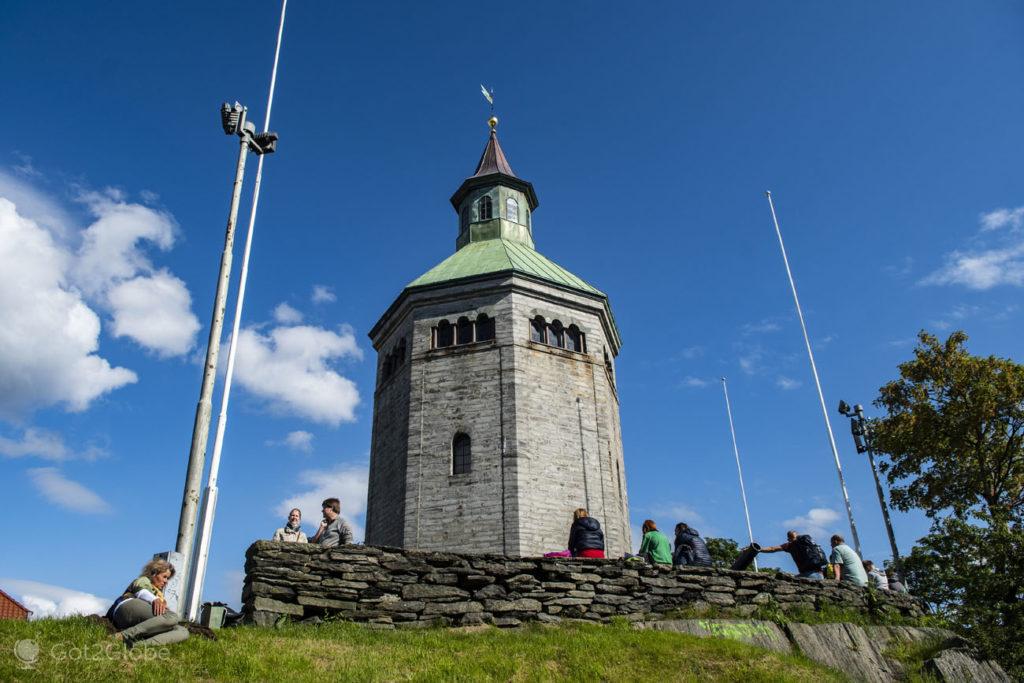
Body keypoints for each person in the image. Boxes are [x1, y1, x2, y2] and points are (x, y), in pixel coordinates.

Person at [108, 559, 189, 648]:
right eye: (164, 576)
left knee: (183, 631)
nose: (166, 581)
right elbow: (141, 591)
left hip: (137, 622)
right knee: (172, 617)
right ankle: (123, 636)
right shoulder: (144, 580)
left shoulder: (158, 594)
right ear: (153, 573)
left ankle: (136, 646)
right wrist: (154, 599)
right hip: (124, 607)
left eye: (168, 578)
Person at [761, 530, 827, 579]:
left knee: (786, 581)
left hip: (808, 575)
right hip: (820, 575)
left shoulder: (790, 545)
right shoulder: (808, 542)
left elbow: (772, 549)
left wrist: (759, 549)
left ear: (788, 539)